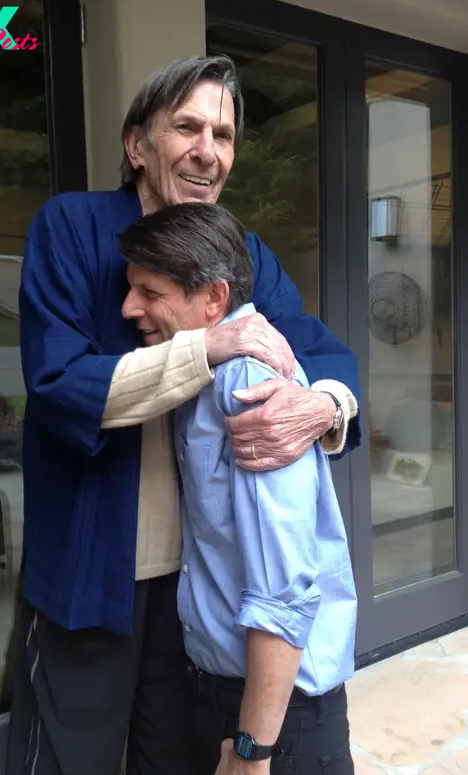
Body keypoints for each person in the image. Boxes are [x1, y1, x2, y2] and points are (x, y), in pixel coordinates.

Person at [7, 55, 360, 775]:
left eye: (224, 135)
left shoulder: (240, 252)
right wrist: (209, 345)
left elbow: (325, 354)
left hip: (197, 599)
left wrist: (322, 404)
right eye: (188, 127)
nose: (208, 150)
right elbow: (60, 385)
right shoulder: (72, 229)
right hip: (92, 576)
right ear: (137, 146)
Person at [118, 201, 357, 775]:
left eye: (150, 292)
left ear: (214, 299)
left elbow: (284, 593)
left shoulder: (250, 383)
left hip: (282, 722)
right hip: (228, 697)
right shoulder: (200, 374)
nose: (131, 308)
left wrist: (253, 752)